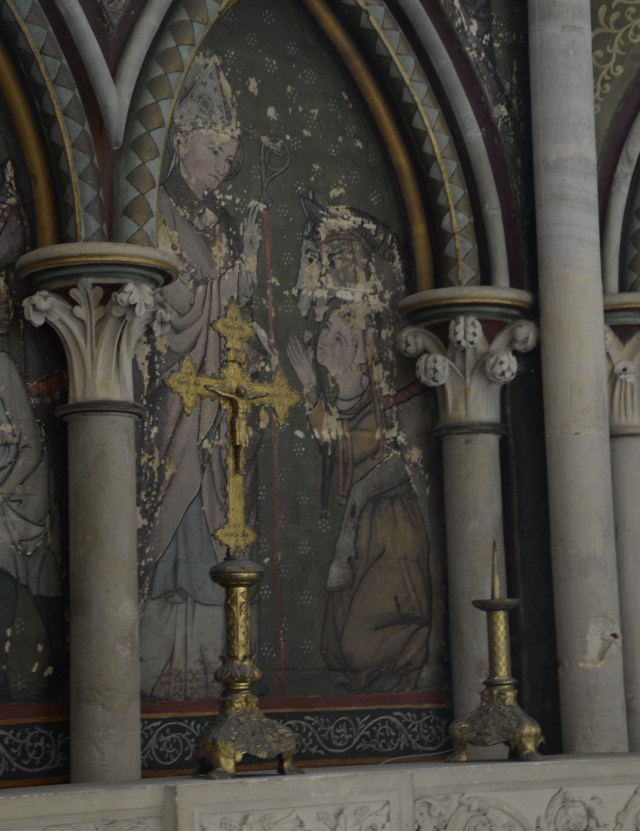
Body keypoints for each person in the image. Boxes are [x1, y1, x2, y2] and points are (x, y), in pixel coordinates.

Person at [139, 55, 263, 700]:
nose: (221, 166)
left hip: (222, 392)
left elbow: (229, 308)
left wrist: (244, 267)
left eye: (228, 157)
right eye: (214, 150)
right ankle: (158, 660)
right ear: (182, 142)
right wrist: (222, 285)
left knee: (218, 504)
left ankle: (209, 663)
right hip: (180, 392)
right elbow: (178, 302)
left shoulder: (222, 224)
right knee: (175, 492)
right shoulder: (159, 209)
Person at [287, 301, 432, 692]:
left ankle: (409, 667)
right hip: (359, 529)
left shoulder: (385, 405)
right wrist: (309, 385)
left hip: (390, 530)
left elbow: (388, 459)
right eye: (325, 329)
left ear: (360, 353)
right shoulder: (345, 402)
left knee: (359, 645)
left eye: (339, 337)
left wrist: (359, 496)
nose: (325, 340)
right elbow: (336, 444)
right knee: (335, 647)